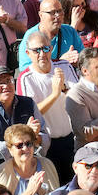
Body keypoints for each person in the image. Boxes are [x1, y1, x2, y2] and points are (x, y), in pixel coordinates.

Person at [16, 31, 74, 181]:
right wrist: (55, 94)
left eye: (46, 49)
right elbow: (31, 116)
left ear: (51, 49)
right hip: (49, 145)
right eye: (37, 50)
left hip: (71, 138)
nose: (42, 54)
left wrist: (65, 89)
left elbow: (79, 99)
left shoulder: (64, 66)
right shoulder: (25, 78)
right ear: (28, 53)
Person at [0, 66, 49, 168]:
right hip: (0, 172)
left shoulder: (29, 103)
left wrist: (36, 137)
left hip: (30, 167)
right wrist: (25, 135)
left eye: (8, 80)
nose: (6, 86)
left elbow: (46, 139)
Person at [0, 123, 60, 195]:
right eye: (19, 145)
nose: (25, 148)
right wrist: (29, 193)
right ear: (10, 150)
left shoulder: (47, 164)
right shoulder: (2, 172)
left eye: (29, 143)